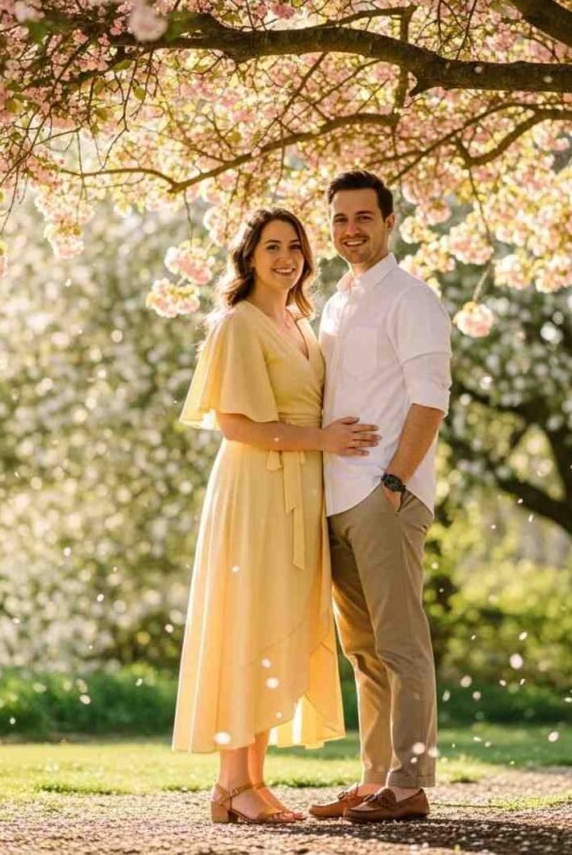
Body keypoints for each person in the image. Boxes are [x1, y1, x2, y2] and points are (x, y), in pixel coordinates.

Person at [172, 207, 379, 826]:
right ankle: (232, 784)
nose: (286, 258)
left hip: (299, 490)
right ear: (249, 257)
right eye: (271, 247)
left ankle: (249, 783)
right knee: (246, 623)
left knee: (274, 625)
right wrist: (322, 441)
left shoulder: (297, 322)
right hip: (256, 492)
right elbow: (234, 424)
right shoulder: (238, 323)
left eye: (294, 247)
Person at [309, 171, 451, 824]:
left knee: (400, 643)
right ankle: (376, 780)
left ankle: (409, 782)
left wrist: (393, 482)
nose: (351, 230)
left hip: (382, 494)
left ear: (389, 222)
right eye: (340, 219)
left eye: (363, 217)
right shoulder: (337, 303)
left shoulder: (411, 298)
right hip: (335, 498)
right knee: (364, 652)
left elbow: (430, 399)